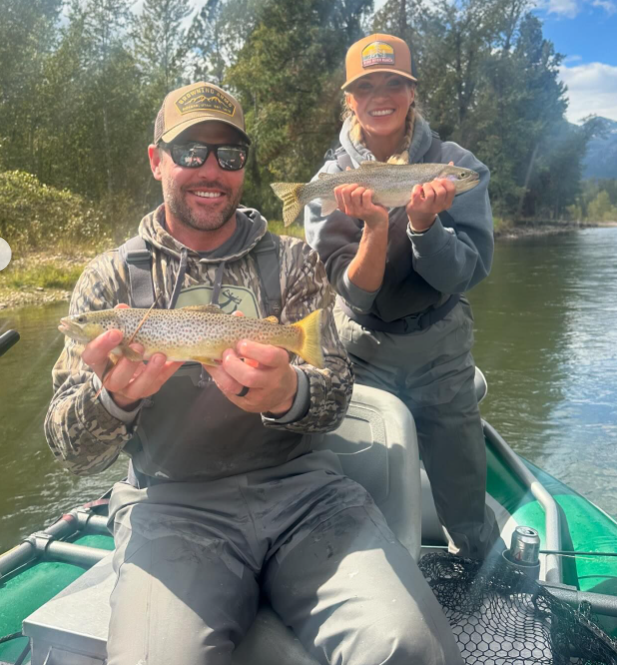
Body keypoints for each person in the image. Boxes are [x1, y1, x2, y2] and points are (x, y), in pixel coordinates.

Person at [44, 81, 463, 665]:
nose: (210, 169)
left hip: (306, 494)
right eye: (191, 151)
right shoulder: (111, 281)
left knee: (409, 647)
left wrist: (291, 391)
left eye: (229, 154)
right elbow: (68, 448)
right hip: (172, 505)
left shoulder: (292, 259)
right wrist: (110, 400)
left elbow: (337, 394)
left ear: (244, 166)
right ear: (156, 159)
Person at [304, 34, 503, 560]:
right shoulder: (331, 182)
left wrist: (423, 225)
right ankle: (373, 566)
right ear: (350, 99)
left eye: (394, 82)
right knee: (367, 477)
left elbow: (463, 275)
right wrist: (373, 226)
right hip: (362, 350)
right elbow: (355, 295)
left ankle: (478, 559)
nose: (381, 95)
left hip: (441, 346)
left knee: (463, 477)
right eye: (366, 86)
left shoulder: (458, 166)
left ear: (412, 91)